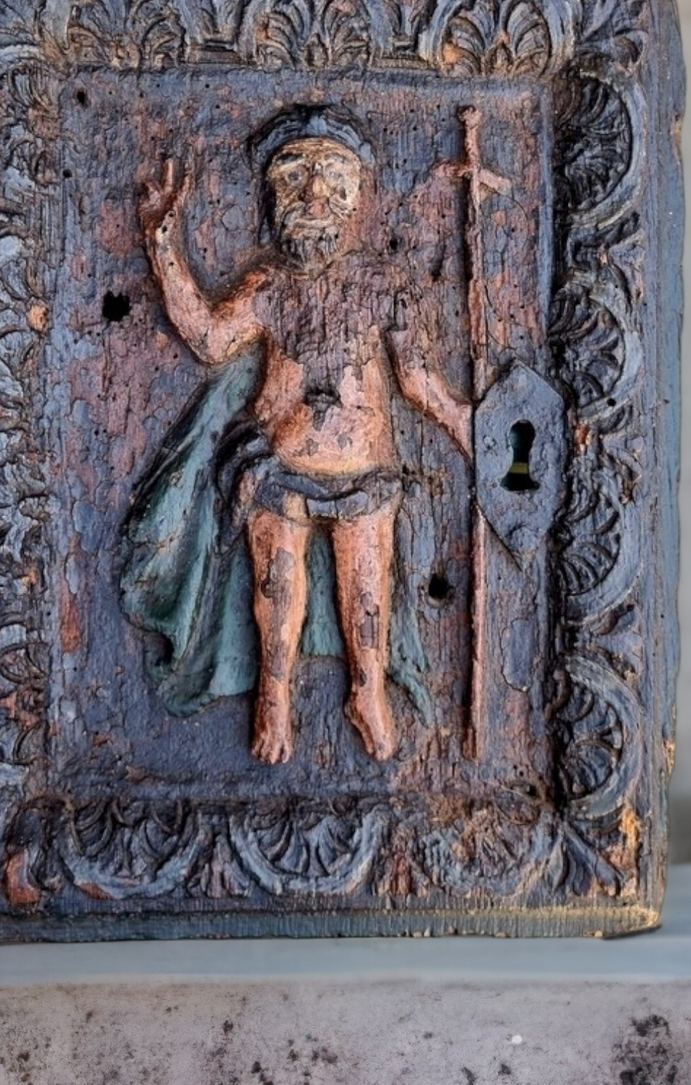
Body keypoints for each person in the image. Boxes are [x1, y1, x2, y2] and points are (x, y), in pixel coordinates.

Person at [124, 106, 469, 764]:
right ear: (271, 195)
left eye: (333, 177)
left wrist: (466, 424)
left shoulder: (382, 284)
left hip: (364, 473)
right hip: (278, 469)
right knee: (275, 597)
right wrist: (163, 243)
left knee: (366, 595)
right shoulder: (266, 283)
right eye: (294, 174)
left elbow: (418, 381)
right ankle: (272, 695)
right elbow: (207, 338)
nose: (314, 193)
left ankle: (366, 690)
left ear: (359, 194)